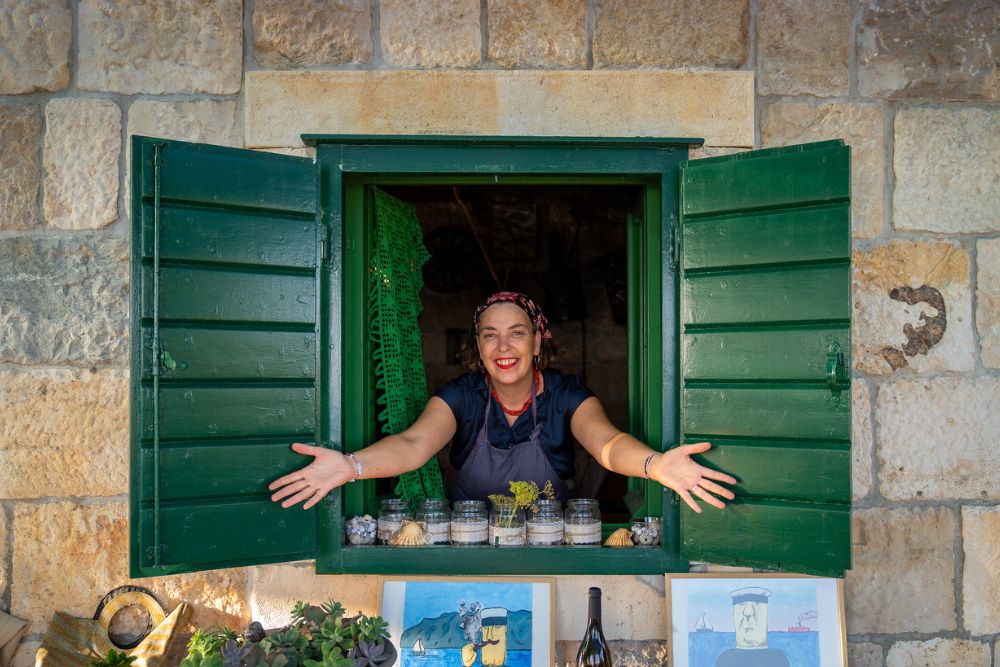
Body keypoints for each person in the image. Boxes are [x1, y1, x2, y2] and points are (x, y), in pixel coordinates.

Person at [269, 291, 736, 510]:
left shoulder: (566, 395)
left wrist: (657, 465)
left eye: (517, 334)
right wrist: (350, 466)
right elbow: (413, 445)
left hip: (553, 541)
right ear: (478, 347)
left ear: (537, 342)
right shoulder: (462, 397)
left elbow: (607, 445)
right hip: (470, 541)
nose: (504, 347)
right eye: (490, 336)